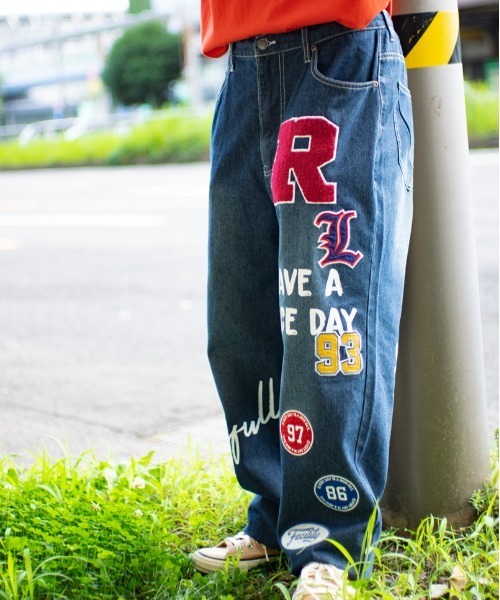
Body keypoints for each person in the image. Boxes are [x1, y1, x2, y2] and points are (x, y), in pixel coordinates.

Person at [192, 1, 414, 597]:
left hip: (338, 52)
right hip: (243, 62)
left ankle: (329, 541)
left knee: (329, 312)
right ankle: (272, 517)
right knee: (241, 312)